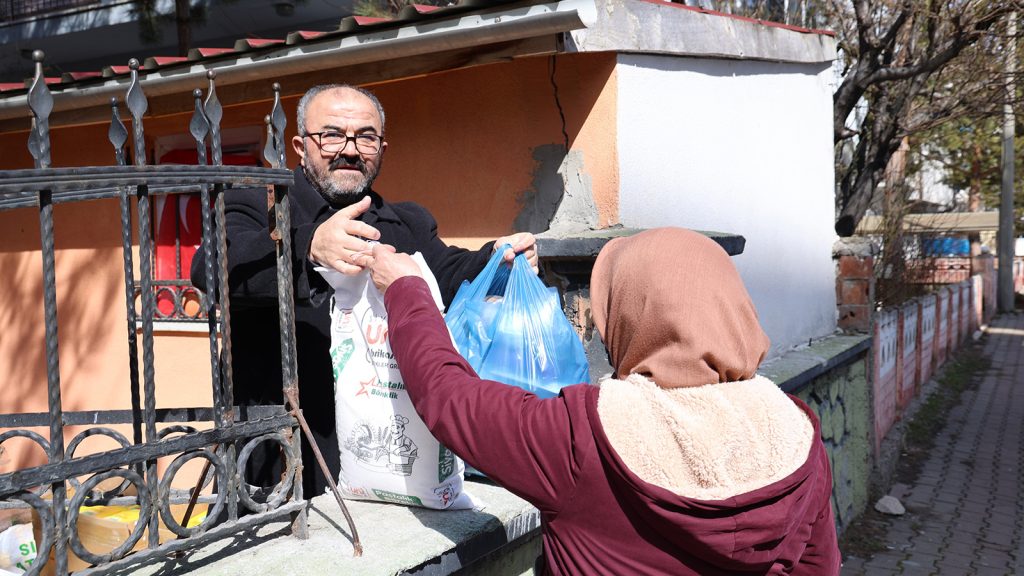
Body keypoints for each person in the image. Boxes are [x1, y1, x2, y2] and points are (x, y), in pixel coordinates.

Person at [365, 227, 841, 575]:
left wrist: (408, 291)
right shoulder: (795, 431)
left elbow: (450, 398)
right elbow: (820, 566)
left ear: (628, 316)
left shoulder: (584, 436)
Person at [190, 84, 537, 499]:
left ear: (382, 148)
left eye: (366, 137)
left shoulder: (402, 223)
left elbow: (445, 272)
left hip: (385, 456)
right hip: (284, 458)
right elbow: (211, 266)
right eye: (332, 134)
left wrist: (498, 260)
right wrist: (308, 246)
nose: (350, 149)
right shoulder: (251, 205)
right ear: (301, 146)